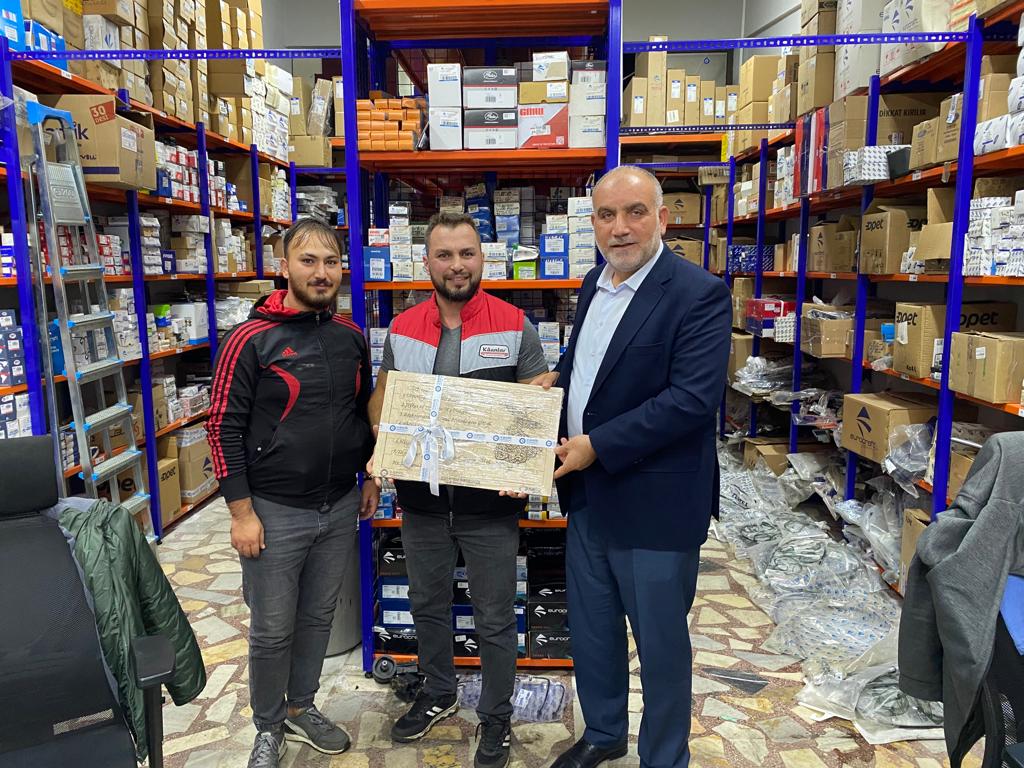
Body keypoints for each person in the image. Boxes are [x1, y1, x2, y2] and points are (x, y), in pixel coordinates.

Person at [542, 166, 732, 768]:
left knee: (660, 646)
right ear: (593, 223)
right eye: (606, 215)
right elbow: (591, 363)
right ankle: (604, 733)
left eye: (634, 212)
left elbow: (692, 400)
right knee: (593, 630)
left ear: (662, 219)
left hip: (655, 505)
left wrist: (596, 444)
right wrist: (555, 380)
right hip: (589, 496)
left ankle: (664, 757)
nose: (619, 228)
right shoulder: (594, 282)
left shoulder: (698, 293)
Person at [368, 211, 551, 768]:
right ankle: (439, 692)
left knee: (494, 617)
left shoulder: (515, 325)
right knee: (426, 604)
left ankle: (495, 717)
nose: (456, 265)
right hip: (421, 504)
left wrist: (524, 459)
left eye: (466, 253)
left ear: (482, 258)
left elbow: (535, 411)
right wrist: (383, 438)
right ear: (427, 262)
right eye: (444, 255)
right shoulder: (403, 328)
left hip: (488, 507)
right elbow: (382, 399)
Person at [207, 218, 379, 768]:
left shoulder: (350, 336)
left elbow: (363, 414)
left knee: (318, 617)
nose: (321, 273)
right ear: (283, 267)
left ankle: (302, 706)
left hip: (340, 503)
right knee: (272, 629)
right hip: (274, 511)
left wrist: (370, 477)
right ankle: (268, 725)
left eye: (331, 262)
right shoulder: (249, 340)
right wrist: (241, 512)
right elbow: (221, 427)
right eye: (308, 261)